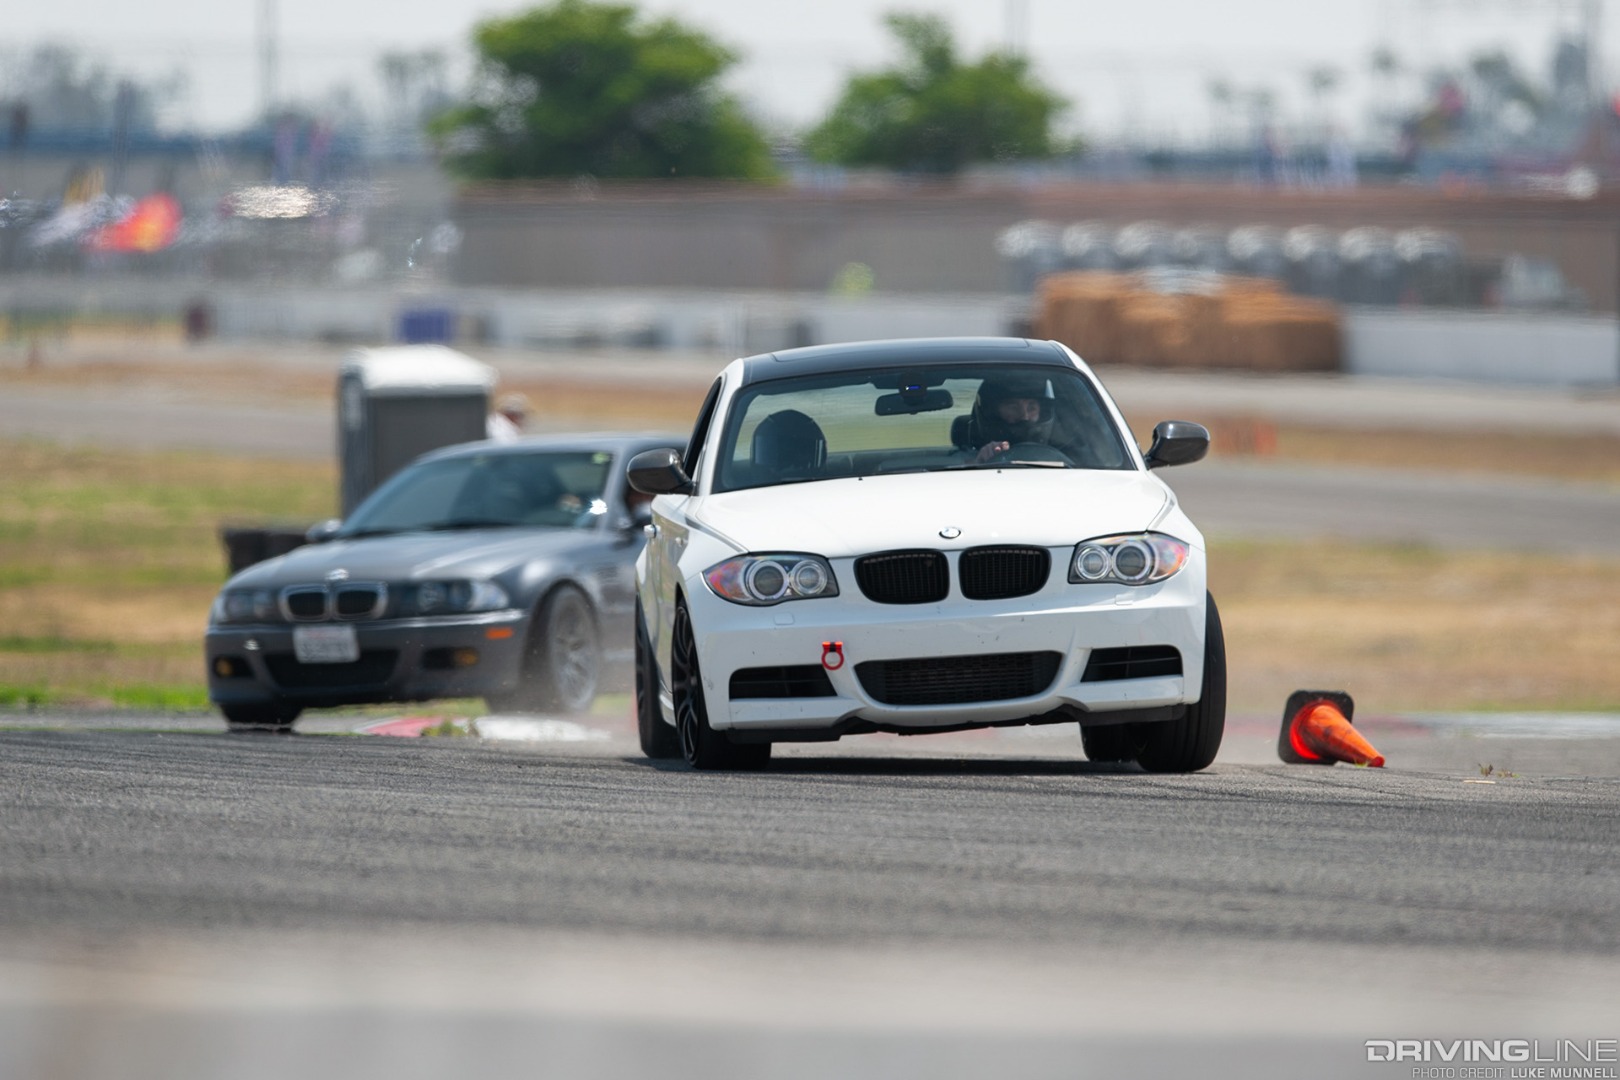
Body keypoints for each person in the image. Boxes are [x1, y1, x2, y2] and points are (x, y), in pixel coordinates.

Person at [968, 374, 1054, 462]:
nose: (1025, 416)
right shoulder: (960, 461)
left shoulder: (1063, 459)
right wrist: (981, 463)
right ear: (993, 412)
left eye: (1032, 408)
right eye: (1013, 408)